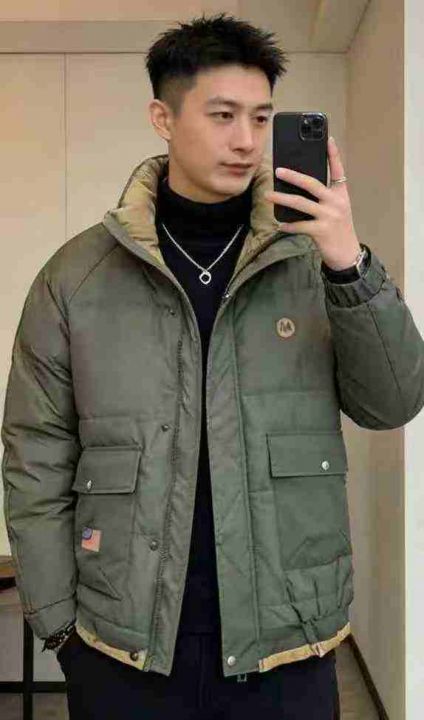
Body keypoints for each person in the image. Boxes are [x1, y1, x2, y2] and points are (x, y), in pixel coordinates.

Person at [2, 11, 424, 720]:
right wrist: (60, 626)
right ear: (163, 118)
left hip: (288, 646)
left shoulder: (312, 261)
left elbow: (393, 401)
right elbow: (34, 453)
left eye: (260, 117)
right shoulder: (76, 277)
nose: (247, 140)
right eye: (223, 115)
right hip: (122, 649)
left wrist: (349, 263)